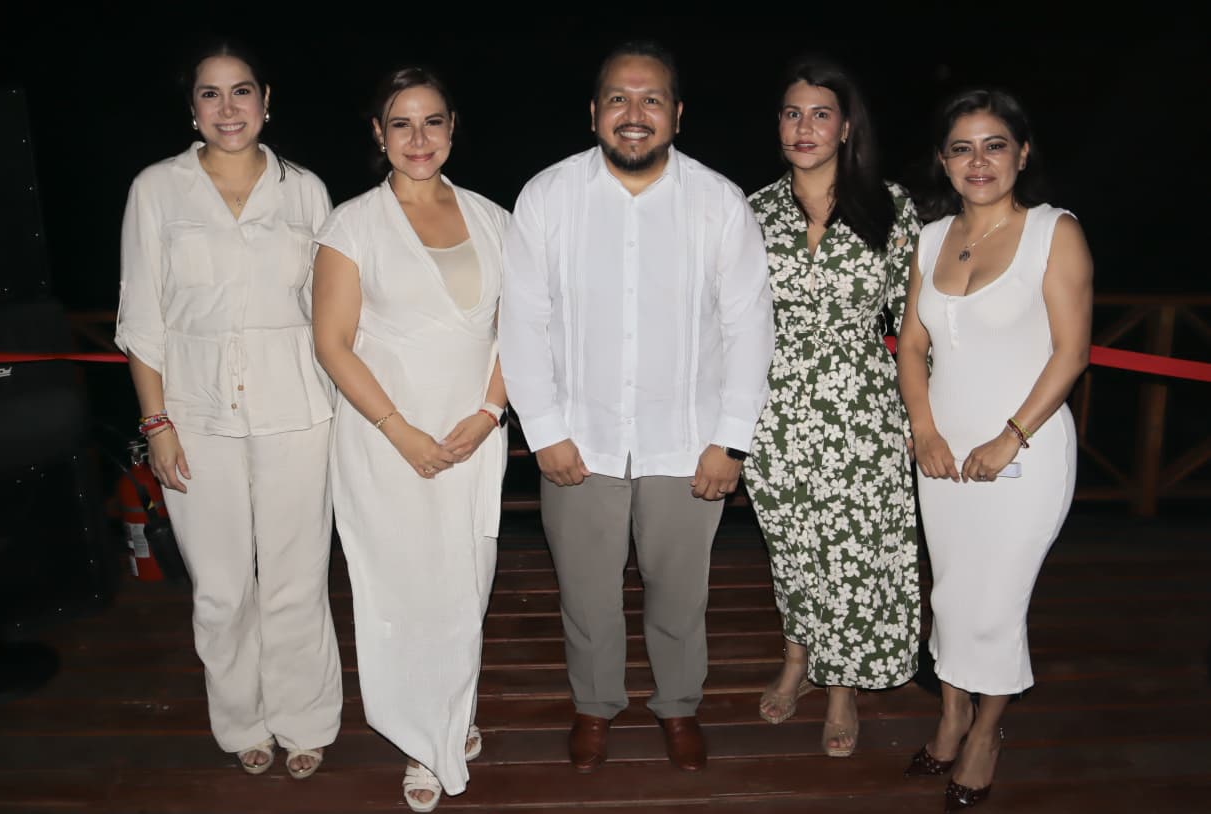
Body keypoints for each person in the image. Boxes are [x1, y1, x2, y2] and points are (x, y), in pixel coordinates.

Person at [499, 41, 774, 774]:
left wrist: (731, 441)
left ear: (677, 115)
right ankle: (595, 706)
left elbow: (749, 327)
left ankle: (678, 706)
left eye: (651, 99)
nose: (634, 113)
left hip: (687, 442)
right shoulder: (547, 196)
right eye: (618, 98)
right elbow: (521, 322)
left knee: (680, 594)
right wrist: (544, 431)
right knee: (586, 593)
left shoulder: (719, 202)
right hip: (577, 439)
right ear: (594, 112)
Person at [115, 40, 342, 779]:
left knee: (297, 578)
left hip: (299, 411)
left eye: (241, 90)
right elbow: (141, 319)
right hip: (195, 417)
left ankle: (305, 718)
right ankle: (242, 719)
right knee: (220, 587)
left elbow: (332, 309)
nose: (227, 108)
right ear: (192, 109)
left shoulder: (305, 191)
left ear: (266, 100)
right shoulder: (157, 190)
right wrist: (156, 424)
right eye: (210, 94)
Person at [311, 67, 509, 813]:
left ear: (452, 128)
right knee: (403, 590)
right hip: (385, 439)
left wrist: (489, 413)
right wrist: (401, 433)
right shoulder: (352, 224)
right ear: (379, 134)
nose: (418, 138)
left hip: (472, 438)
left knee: (465, 586)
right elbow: (332, 344)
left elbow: (520, 331)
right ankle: (424, 741)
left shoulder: (495, 219)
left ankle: (450, 712)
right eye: (401, 123)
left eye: (432, 122)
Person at [896, 89, 1092, 811]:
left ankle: (986, 731)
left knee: (996, 600)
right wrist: (924, 429)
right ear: (944, 162)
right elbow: (911, 345)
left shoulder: (1053, 232)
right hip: (942, 452)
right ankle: (951, 716)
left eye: (994, 145)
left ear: (1022, 153)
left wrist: (1011, 435)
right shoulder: (929, 239)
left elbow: (1071, 353)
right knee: (951, 589)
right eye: (962, 148)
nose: (978, 161)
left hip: (1025, 449)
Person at [743, 56, 921, 757]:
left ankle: (841, 685)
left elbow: (917, 325)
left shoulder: (891, 206)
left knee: (854, 549)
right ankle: (797, 657)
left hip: (863, 406)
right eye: (793, 113)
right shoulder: (751, 211)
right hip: (775, 405)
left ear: (847, 127)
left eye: (821, 114)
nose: (804, 127)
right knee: (792, 543)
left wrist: (923, 416)